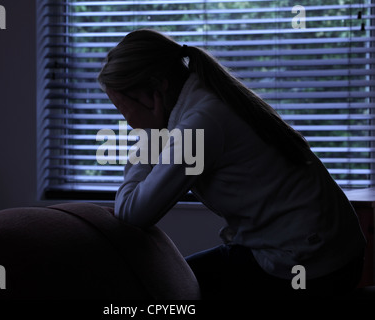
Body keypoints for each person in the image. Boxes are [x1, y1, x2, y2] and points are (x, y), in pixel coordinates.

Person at [97, 29, 366, 299]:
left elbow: (132, 214)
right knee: (171, 281)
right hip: (331, 255)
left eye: (123, 108)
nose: (129, 122)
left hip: (311, 266)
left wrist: (150, 137)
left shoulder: (199, 124)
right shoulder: (207, 99)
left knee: (160, 291)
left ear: (158, 86)